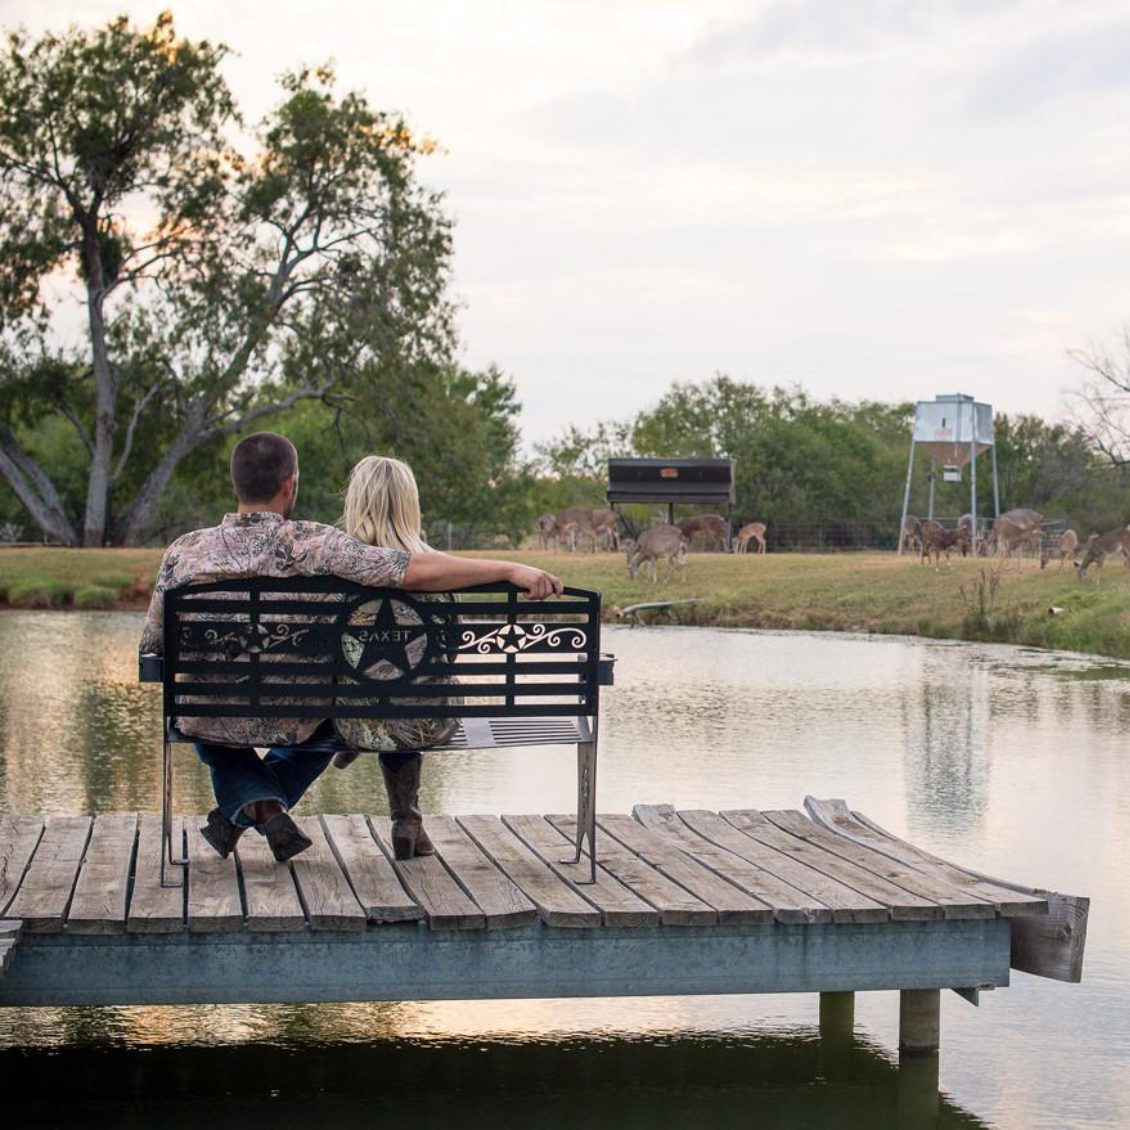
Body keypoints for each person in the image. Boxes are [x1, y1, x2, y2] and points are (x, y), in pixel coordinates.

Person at [139, 431, 561, 863]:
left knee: (200, 716)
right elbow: (407, 569)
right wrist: (510, 567)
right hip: (295, 715)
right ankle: (264, 809)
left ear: (236, 483)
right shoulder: (316, 545)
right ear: (291, 484)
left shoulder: (182, 552)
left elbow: (152, 646)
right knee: (336, 715)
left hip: (211, 713)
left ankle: (258, 807)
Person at [330, 455, 459, 860]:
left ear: (355, 501)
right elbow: (448, 656)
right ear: (411, 504)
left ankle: (360, 741)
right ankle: (407, 822)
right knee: (415, 686)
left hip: (350, 715)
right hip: (426, 719)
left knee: (376, 685)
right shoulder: (439, 570)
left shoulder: (334, 568)